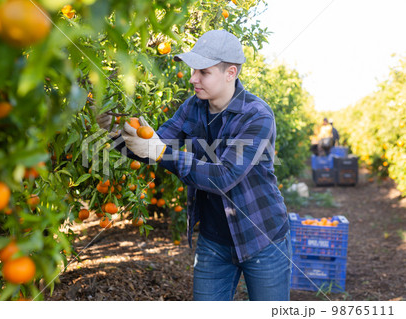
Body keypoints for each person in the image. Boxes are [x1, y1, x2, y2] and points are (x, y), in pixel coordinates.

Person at [96, 30, 291, 301]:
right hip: (214, 241)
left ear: (230, 72)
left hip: (262, 236)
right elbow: (154, 147)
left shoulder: (257, 116)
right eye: (192, 70)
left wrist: (160, 150)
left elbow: (224, 175)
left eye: (203, 72)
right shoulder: (192, 107)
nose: (192, 78)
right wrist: (116, 134)